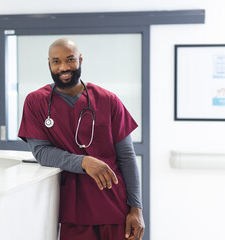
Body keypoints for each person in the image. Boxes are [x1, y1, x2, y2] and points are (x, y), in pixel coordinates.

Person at [18, 38, 145, 240]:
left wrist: (136, 208)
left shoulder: (108, 100)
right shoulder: (36, 102)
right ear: (49, 64)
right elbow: (41, 152)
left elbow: (127, 157)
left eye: (70, 60)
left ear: (80, 60)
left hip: (114, 206)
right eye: (56, 61)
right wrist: (84, 161)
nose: (64, 67)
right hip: (73, 210)